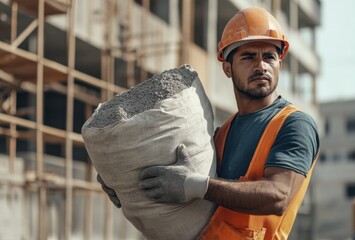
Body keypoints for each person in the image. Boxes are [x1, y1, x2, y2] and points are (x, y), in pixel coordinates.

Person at [99, 7, 319, 239]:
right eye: (248, 57)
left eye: (269, 57)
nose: (261, 66)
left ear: (279, 65)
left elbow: (279, 196)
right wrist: (125, 183)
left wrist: (194, 186)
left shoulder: (295, 124)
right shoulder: (221, 134)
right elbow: (180, 182)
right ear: (227, 68)